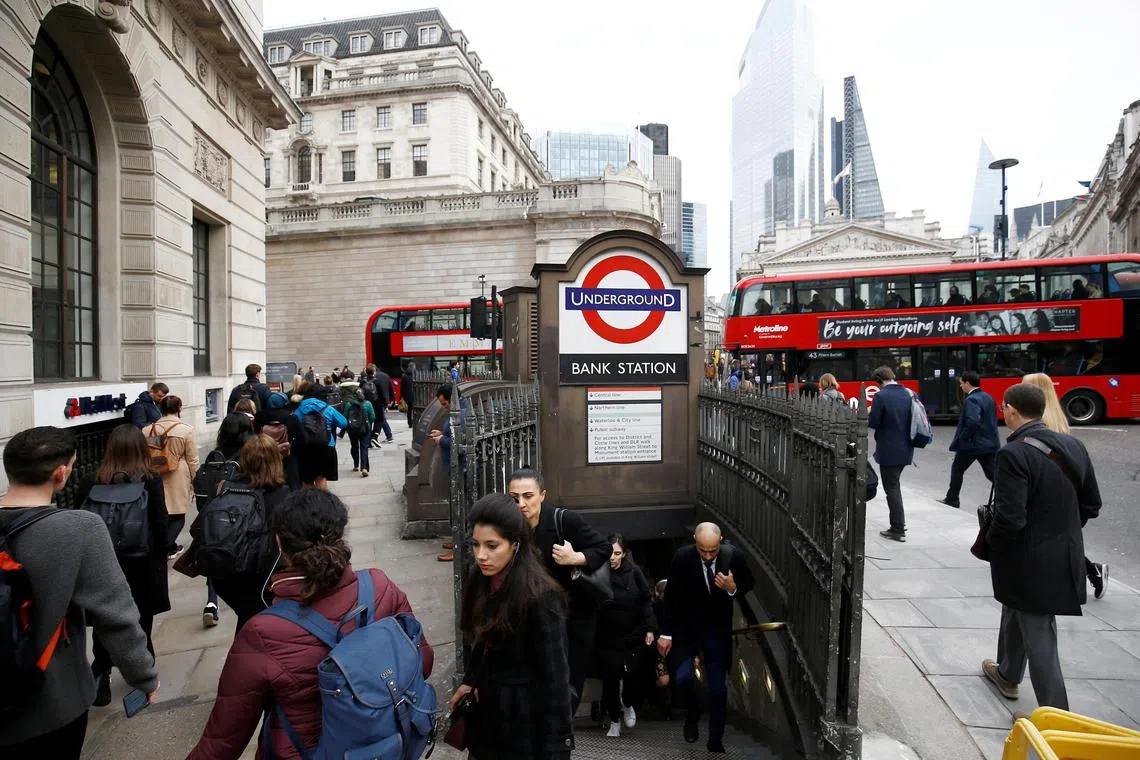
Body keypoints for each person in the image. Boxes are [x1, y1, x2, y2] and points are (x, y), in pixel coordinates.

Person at [186, 488, 433, 759]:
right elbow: (424, 661)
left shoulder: (263, 632)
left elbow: (221, 743)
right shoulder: (379, 586)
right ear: (340, 534)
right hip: (387, 746)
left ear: (279, 543)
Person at [0, 427, 158, 757]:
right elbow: (116, 618)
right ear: (61, 473)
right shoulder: (78, 528)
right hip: (51, 702)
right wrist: (144, 677)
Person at [981, 383, 1101, 711]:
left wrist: (991, 546)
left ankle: (1057, 715)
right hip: (1064, 553)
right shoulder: (1073, 445)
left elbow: (1010, 518)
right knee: (1014, 607)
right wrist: (1059, 533)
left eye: (1004, 408)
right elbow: (1091, 504)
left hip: (1029, 560)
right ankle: (1007, 673)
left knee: (1040, 635)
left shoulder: (1012, 453)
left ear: (1011, 409)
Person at [449, 493, 574, 760]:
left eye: (492, 546)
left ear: (515, 544)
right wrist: (470, 680)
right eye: (476, 545)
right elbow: (477, 639)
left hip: (526, 723)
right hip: (487, 720)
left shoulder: (540, 595)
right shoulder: (479, 580)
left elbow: (557, 678)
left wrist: (558, 745)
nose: (481, 555)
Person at [75, 425, 169, 707]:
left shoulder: (91, 480)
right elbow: (160, 522)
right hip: (142, 562)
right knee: (141, 620)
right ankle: (143, 678)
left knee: (106, 618)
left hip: (103, 562)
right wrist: (162, 553)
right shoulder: (150, 479)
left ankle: (100, 676)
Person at [507, 467, 612, 712]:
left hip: (572, 620)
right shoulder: (509, 526)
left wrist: (576, 558)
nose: (521, 504)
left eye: (528, 496)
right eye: (514, 498)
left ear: (542, 495)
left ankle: (561, 738)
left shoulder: (564, 521)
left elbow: (603, 548)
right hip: (531, 619)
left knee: (567, 688)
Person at [657, 522, 755, 754]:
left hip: (716, 629)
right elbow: (670, 597)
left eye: (713, 550)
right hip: (685, 628)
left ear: (720, 542)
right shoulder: (682, 558)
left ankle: (715, 739)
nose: (709, 556)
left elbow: (748, 582)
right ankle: (693, 712)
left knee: (718, 688)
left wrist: (732, 587)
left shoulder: (733, 556)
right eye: (703, 550)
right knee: (681, 680)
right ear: (695, 542)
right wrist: (666, 633)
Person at [1022, 373, 1109, 599]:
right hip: (1062, 501)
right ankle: (1092, 571)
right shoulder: (1056, 419)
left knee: (1056, 542)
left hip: (1051, 499)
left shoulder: (1041, 425)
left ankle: (1093, 571)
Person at [210, 434, 293, 633]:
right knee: (257, 625)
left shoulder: (225, 488)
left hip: (225, 573)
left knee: (247, 619)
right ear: (276, 459)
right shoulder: (282, 494)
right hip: (260, 575)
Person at [595, 535, 656, 738]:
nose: (612, 557)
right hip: (607, 635)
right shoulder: (598, 570)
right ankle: (614, 720)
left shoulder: (634, 572)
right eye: (609, 553)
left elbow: (646, 600)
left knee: (631, 676)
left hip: (632, 633)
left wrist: (649, 628)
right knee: (611, 680)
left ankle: (628, 703)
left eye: (617, 553)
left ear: (624, 553)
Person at [938, 371, 1000, 509]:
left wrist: (963, 438)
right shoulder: (988, 397)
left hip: (971, 445)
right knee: (993, 474)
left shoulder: (972, 400)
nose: (960, 386)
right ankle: (1006, 496)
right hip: (989, 443)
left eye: (961, 383)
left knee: (957, 469)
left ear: (967, 383)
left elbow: (972, 421)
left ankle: (952, 499)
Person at [867, 366, 915, 542]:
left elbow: (873, 422)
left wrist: (870, 413)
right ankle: (898, 524)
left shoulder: (881, 396)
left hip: (889, 449)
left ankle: (897, 528)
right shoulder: (909, 393)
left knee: (892, 489)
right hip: (906, 448)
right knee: (895, 485)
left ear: (879, 380)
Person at [151, 395, 199, 558]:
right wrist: (196, 479)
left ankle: (167, 545)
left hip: (154, 473)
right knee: (178, 514)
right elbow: (193, 459)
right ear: (179, 408)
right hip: (177, 473)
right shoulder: (186, 430)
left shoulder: (148, 429)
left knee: (160, 511)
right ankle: (166, 546)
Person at [293, 384, 347, 488]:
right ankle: (321, 501)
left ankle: (308, 502)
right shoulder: (327, 408)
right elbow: (343, 423)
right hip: (325, 445)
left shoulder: (299, 408)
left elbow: (293, 423)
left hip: (304, 447)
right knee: (321, 477)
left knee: (306, 479)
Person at [255, 391, 300, 490]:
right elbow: (298, 436)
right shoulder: (291, 417)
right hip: (286, 453)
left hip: (265, 451)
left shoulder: (259, 416)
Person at [342, 389, 375, 477]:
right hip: (365, 429)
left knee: (354, 446)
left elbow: (345, 417)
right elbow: (373, 417)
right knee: (364, 448)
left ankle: (356, 464)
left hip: (352, 429)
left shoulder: (348, 404)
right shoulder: (368, 404)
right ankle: (364, 468)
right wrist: (368, 425)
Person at [369, 364, 395, 443]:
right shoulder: (386, 376)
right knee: (380, 418)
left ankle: (388, 435)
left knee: (381, 419)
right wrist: (392, 399)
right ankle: (378, 436)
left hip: (375, 400)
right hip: (384, 400)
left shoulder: (373, 378)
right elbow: (391, 388)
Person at [402, 361, 417, 428]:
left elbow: (402, 387)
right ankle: (415, 422)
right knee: (415, 410)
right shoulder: (415, 375)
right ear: (413, 367)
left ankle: (410, 423)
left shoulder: (404, 376)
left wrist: (402, 396)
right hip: (414, 395)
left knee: (409, 410)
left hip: (407, 396)